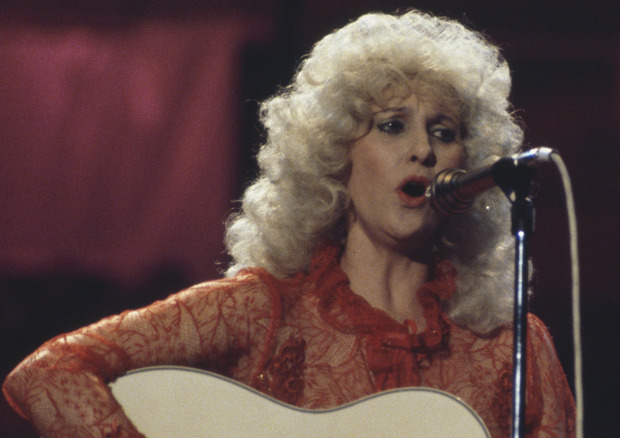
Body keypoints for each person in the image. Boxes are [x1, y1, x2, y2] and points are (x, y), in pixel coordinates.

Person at [3, 10, 575, 438]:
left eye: (444, 132)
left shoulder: (511, 348)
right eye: (393, 126)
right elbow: (47, 373)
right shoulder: (262, 311)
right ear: (337, 155)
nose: (423, 150)